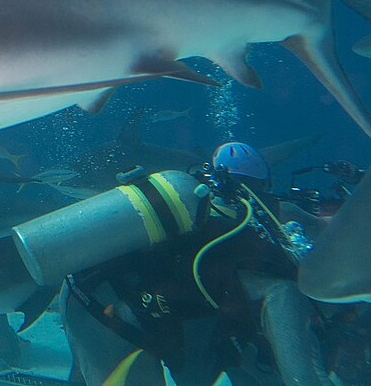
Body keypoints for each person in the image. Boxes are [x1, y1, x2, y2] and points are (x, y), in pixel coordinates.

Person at [60, 142, 327, 386]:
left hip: (89, 298)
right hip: (106, 308)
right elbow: (302, 378)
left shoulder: (218, 234)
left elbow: (196, 369)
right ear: (265, 188)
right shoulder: (277, 284)